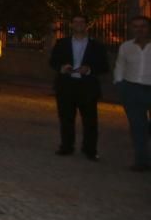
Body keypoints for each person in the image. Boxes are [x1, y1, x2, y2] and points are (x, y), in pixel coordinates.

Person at [49, 14, 109, 161]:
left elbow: (104, 66)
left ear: (87, 25)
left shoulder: (97, 45)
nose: (78, 24)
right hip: (66, 85)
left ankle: (90, 149)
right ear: (71, 25)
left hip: (87, 87)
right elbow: (53, 61)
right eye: (75, 22)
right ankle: (67, 146)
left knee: (90, 120)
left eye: (81, 22)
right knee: (66, 118)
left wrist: (88, 69)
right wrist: (62, 67)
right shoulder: (62, 43)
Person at [114, 15, 151, 171]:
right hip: (132, 89)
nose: (139, 29)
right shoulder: (126, 46)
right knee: (137, 127)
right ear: (131, 29)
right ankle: (141, 161)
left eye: (143, 26)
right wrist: (120, 85)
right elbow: (120, 66)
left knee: (144, 127)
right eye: (135, 26)